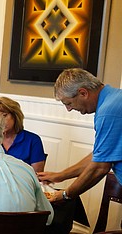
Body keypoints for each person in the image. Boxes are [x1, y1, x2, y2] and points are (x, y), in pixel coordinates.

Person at [38, 68, 122, 203]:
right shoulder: (113, 98)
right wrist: (61, 176)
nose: (69, 109)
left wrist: (66, 194)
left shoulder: (109, 111)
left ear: (83, 93)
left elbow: (100, 167)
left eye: (68, 103)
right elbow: (99, 154)